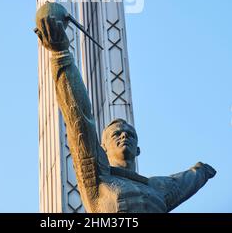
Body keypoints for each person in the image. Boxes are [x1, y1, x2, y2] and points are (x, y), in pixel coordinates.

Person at [36, 13, 216, 213]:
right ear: (103, 148)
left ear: (138, 150)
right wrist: (61, 54)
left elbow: (188, 179)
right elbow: (80, 119)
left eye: (130, 135)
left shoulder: (158, 188)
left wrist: (203, 171)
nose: (124, 136)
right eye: (116, 134)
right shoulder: (97, 179)